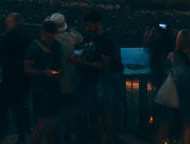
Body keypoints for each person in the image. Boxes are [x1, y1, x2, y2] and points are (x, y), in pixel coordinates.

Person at [73, 10, 122, 144]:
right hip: (90, 84)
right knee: (97, 115)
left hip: (98, 85)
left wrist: (82, 62)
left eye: (89, 26)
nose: (87, 28)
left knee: (100, 115)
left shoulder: (105, 42)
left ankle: (106, 138)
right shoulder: (92, 39)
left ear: (98, 24)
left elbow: (103, 65)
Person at [24, 19, 63, 144]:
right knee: (41, 122)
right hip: (40, 88)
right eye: (48, 37)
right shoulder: (33, 47)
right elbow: (27, 69)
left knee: (53, 124)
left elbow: (60, 65)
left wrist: (58, 73)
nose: (50, 39)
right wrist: (43, 72)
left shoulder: (57, 45)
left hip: (54, 87)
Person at [0, 12, 32, 144]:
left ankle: (1, 134)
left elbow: (1, 56)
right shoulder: (27, 37)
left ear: (12, 23)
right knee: (20, 108)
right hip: (23, 78)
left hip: (9, 77)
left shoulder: (8, 37)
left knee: (2, 107)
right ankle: (22, 134)